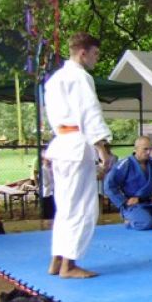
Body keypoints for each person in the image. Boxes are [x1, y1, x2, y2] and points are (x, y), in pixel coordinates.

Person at [43, 32, 113, 279]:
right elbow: (89, 113)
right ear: (83, 53)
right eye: (95, 54)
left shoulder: (54, 80)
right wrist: (102, 148)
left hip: (61, 144)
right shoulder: (80, 77)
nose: (96, 58)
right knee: (83, 207)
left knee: (65, 206)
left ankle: (57, 260)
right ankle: (69, 265)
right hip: (76, 146)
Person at [104, 136, 152, 230]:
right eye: (145, 149)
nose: (148, 152)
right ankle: (130, 220)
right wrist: (123, 201)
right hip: (133, 205)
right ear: (136, 149)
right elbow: (109, 185)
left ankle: (147, 218)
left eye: (150, 149)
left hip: (151, 202)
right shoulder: (125, 164)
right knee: (145, 223)